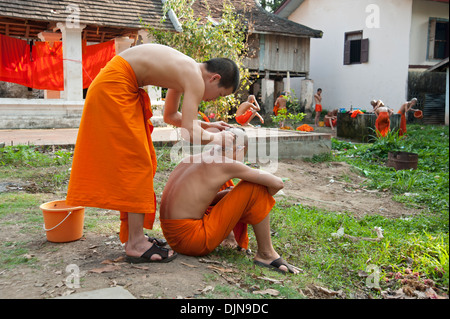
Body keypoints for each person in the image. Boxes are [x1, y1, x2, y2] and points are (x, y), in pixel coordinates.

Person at [66, 43, 240, 263]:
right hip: (115, 87)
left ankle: (134, 237)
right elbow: (188, 132)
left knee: (141, 161)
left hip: (114, 84)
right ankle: (136, 243)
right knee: (137, 164)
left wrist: (208, 127)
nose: (211, 100)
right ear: (214, 78)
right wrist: (218, 137)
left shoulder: (187, 71)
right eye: (218, 95)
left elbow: (171, 116)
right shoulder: (194, 77)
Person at [160, 128, 300, 274]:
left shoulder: (191, 159)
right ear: (241, 149)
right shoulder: (224, 164)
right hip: (192, 241)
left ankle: (230, 238)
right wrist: (256, 199)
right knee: (255, 186)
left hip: (172, 237)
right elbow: (277, 183)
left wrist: (229, 196)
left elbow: (195, 200)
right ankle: (266, 254)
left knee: (228, 186)